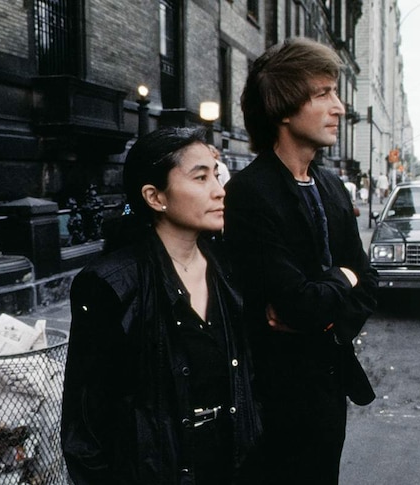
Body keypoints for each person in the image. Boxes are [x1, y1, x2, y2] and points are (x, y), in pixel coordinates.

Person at [61, 127, 261, 485]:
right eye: (200, 178)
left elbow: (247, 377)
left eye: (216, 175)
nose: (219, 190)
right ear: (155, 197)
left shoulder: (228, 269)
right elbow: (86, 422)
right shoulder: (111, 285)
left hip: (231, 465)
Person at [223, 37, 378, 484]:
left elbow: (369, 282)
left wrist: (336, 298)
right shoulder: (250, 194)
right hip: (274, 394)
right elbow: (294, 304)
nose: (340, 107)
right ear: (284, 109)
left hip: (330, 385)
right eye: (324, 94)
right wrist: (342, 282)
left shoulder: (332, 187)